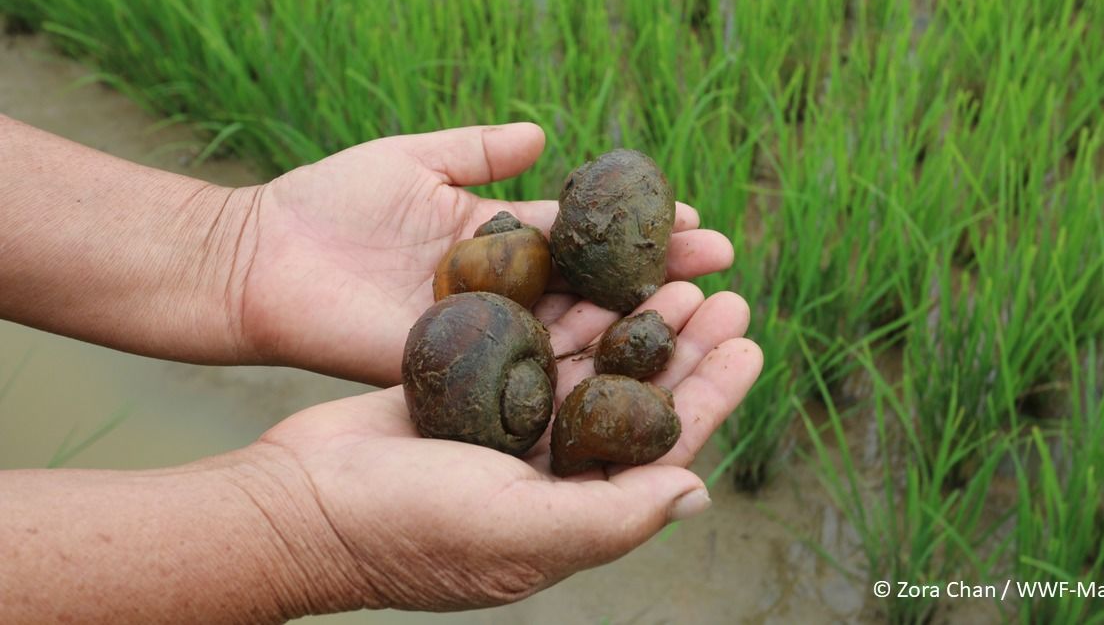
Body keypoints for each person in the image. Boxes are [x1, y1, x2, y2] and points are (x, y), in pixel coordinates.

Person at [0, 115, 763, 622]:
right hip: (491, 351)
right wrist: (312, 533)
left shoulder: (527, 323)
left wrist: (230, 244)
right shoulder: (525, 329)